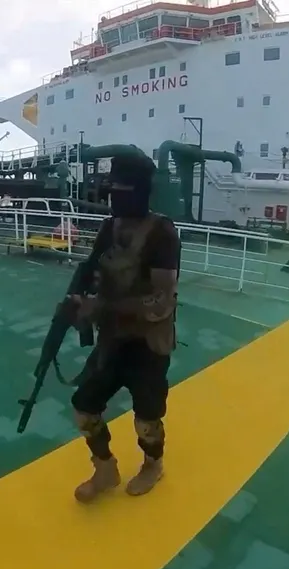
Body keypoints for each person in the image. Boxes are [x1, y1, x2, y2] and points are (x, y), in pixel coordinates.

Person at [68, 153, 181, 503]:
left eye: (121, 189)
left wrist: (102, 307)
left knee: (147, 418)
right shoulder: (110, 228)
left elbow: (162, 302)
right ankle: (105, 469)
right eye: (111, 188)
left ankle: (153, 464)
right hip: (113, 339)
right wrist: (75, 302)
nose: (113, 197)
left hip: (148, 343)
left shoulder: (162, 233)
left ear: (140, 191)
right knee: (84, 405)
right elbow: (91, 271)